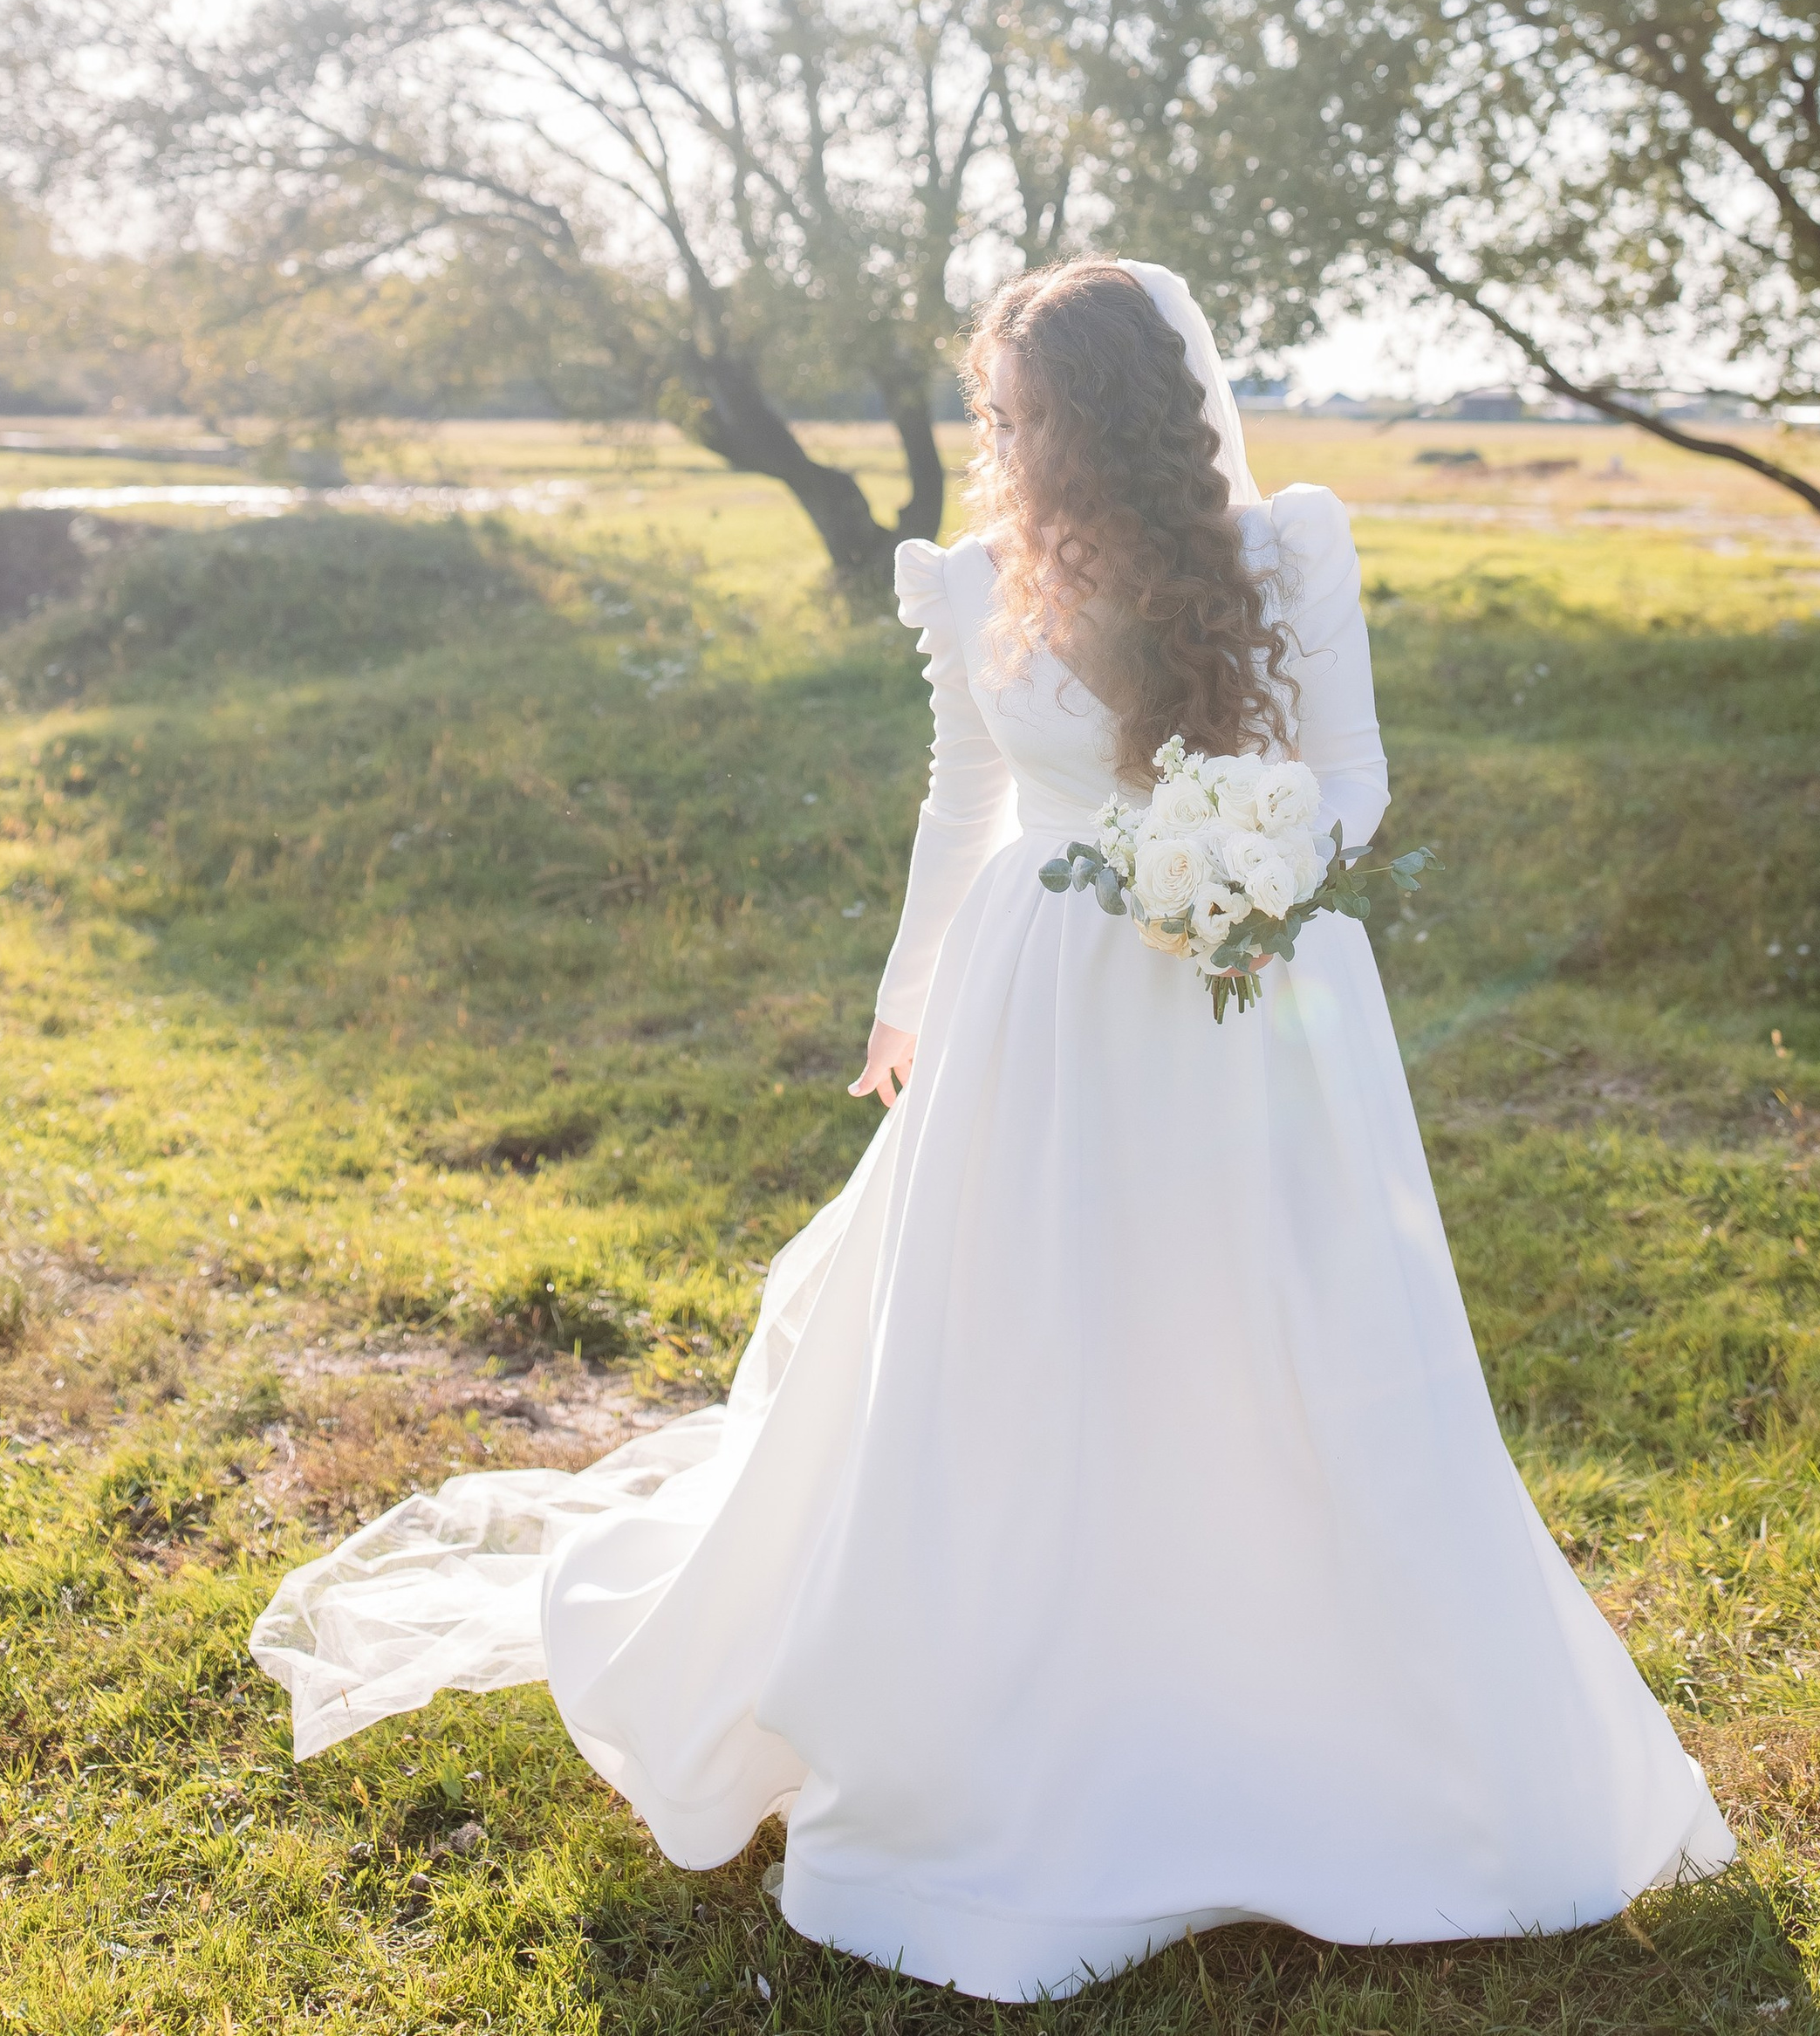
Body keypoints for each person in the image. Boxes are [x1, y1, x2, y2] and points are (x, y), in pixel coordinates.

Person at [251, 256, 1732, 1998]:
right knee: (1030, 1344)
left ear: (1116, 416)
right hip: (1035, 1000)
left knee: (1276, 1341)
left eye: (1030, 415)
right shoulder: (970, 579)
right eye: (992, 414)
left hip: (1241, 997)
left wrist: (1257, 859)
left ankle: (1328, 1705)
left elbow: (1351, 770)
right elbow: (963, 800)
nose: (1004, 443)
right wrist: (901, 997)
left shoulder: (1282, 552)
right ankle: (1022, 1707)